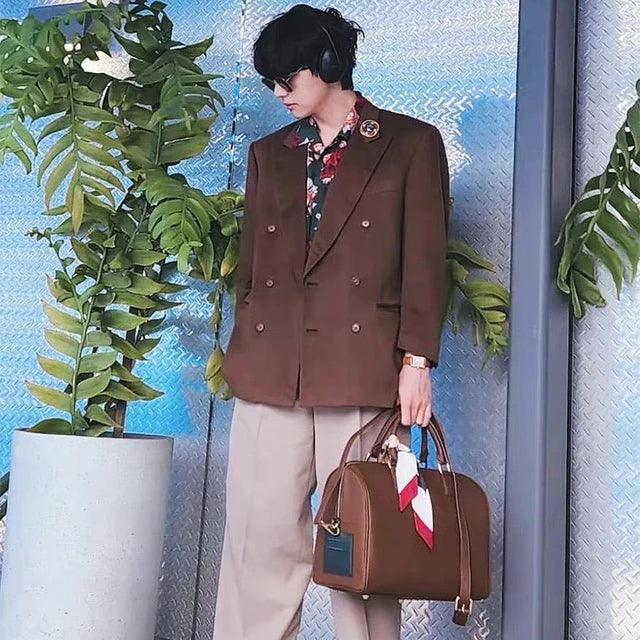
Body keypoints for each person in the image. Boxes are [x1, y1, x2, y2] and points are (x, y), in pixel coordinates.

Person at [213, 4, 451, 639]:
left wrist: (417, 362)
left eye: (287, 78)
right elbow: (252, 268)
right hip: (270, 376)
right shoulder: (269, 154)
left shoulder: (409, 145)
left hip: (360, 374)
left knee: (359, 552)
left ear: (327, 63)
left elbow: (425, 266)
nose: (278, 93)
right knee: (256, 547)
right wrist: (245, 348)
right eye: (270, 81)